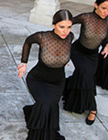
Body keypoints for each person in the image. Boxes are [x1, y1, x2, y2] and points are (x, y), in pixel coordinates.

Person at [18, 9, 74, 140]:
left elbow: (64, 50)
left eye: (69, 27)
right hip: (38, 79)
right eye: (61, 27)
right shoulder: (42, 37)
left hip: (58, 81)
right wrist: (24, 62)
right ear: (54, 25)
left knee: (51, 106)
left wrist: (62, 60)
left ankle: (35, 115)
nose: (65, 31)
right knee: (45, 103)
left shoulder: (70, 37)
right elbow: (27, 42)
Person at [62, 0, 108, 125]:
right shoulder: (86, 17)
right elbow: (67, 23)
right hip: (78, 51)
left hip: (92, 55)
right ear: (96, 5)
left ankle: (68, 88)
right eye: (103, 8)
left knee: (84, 76)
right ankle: (93, 109)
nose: (106, 12)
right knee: (87, 76)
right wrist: (64, 40)